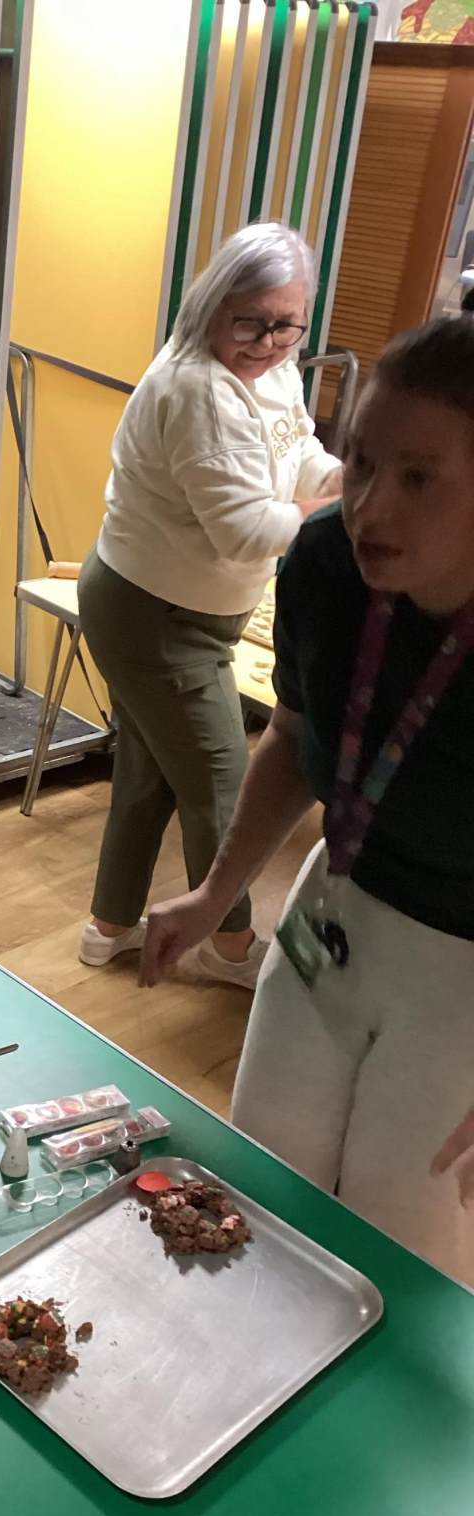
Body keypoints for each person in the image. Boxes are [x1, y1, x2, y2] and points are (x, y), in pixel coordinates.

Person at [141, 316, 474, 1286]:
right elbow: (293, 738)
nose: (370, 503)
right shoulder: (326, 562)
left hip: (461, 968)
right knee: (261, 1179)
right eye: (359, 459)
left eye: (419, 477)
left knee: (398, 1242)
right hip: (336, 903)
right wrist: (216, 892)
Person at [76, 222, 342, 988]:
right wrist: (347, 510)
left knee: (152, 774)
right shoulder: (196, 388)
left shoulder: (274, 370)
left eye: (287, 325)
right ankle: (230, 948)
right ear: (213, 304)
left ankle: (107, 928)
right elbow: (246, 531)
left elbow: (298, 450)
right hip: (155, 617)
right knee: (224, 789)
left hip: (178, 609)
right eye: (250, 322)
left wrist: (335, 477)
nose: (269, 342)